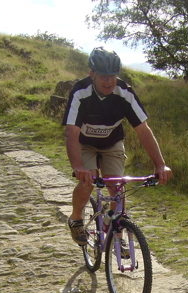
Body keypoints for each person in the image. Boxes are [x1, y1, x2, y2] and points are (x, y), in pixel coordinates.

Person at [62, 46, 172, 246]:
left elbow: (143, 130)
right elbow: (71, 133)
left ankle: (118, 235)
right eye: (104, 76)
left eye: (113, 76)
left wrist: (160, 165)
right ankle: (76, 218)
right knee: (88, 182)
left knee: (117, 187)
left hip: (112, 142)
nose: (109, 81)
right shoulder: (80, 92)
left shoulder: (125, 93)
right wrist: (78, 167)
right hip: (84, 143)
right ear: (92, 74)